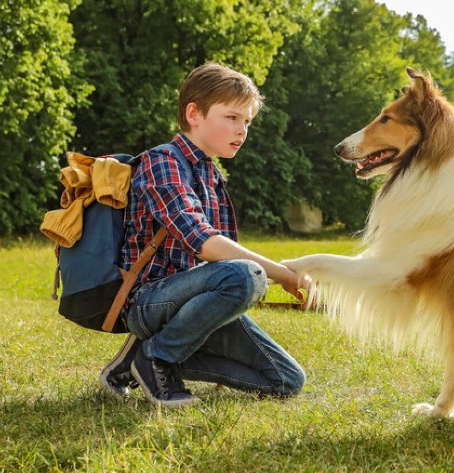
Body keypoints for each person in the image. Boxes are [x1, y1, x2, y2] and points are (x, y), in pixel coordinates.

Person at [99, 63, 311, 407]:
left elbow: (224, 262)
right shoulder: (162, 162)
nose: (241, 130)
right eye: (231, 117)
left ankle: (137, 361)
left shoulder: (213, 177)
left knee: (286, 380)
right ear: (194, 113)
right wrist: (282, 274)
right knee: (247, 275)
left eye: (247, 121)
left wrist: (265, 277)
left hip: (192, 302)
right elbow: (206, 244)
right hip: (148, 301)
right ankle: (158, 358)